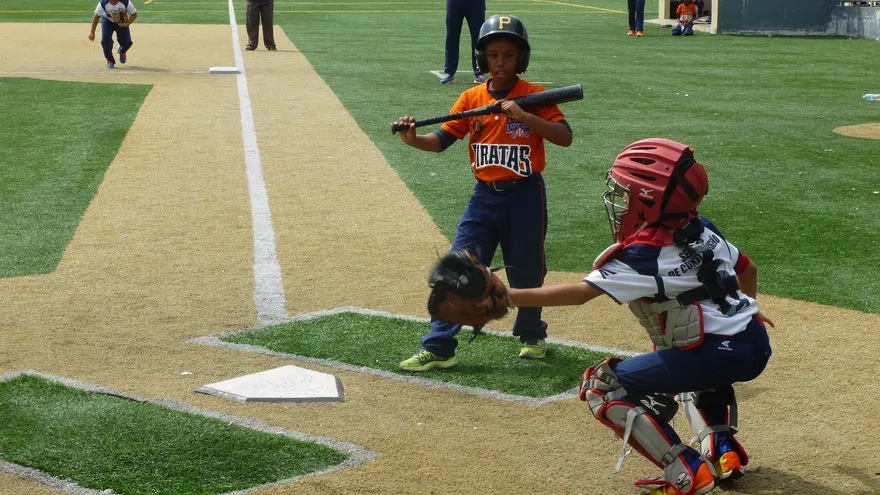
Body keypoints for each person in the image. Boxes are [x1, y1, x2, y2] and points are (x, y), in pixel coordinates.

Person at [503, 138, 773, 494]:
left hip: (716, 353)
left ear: (649, 200)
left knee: (601, 384)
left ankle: (688, 472)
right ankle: (724, 451)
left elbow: (581, 294)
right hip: (755, 342)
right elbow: (747, 268)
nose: (620, 202)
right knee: (688, 352)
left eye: (626, 194)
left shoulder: (644, 253)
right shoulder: (703, 228)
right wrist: (745, 309)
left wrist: (504, 296)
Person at [394, 14, 573, 371]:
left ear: (520, 59)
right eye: (493, 55)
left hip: (526, 196)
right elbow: (440, 140)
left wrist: (525, 116)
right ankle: (440, 345)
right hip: (485, 197)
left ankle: (532, 334)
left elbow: (564, 137)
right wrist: (413, 139)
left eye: (508, 55)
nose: (501, 62)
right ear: (483, 59)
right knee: (457, 268)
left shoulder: (535, 96)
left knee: (527, 271)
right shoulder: (472, 97)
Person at [440, 0, 486, 84]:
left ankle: (479, 72)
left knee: (478, 37)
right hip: (454, 3)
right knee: (452, 37)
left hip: (476, 3)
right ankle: (449, 72)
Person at [88, 0, 137, 69]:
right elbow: (96, 17)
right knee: (105, 41)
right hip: (107, 21)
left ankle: (122, 51)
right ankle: (110, 60)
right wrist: (92, 32)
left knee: (127, 42)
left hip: (121, 21)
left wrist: (127, 23)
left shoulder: (125, 2)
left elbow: (134, 14)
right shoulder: (103, 3)